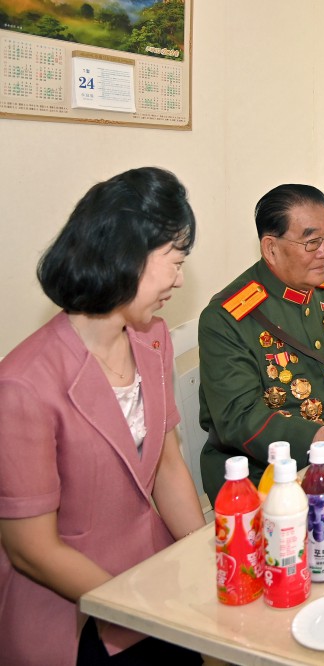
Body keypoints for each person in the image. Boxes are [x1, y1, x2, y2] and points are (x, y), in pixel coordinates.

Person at [0, 167, 206, 665]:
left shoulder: (152, 340)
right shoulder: (23, 384)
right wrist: (135, 604)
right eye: (174, 263)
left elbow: (168, 467)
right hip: (75, 610)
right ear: (126, 257)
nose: (180, 279)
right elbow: (32, 549)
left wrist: (211, 556)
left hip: (158, 581)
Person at [198, 184, 324, 500]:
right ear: (270, 248)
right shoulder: (228, 316)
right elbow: (239, 419)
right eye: (312, 242)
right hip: (269, 478)